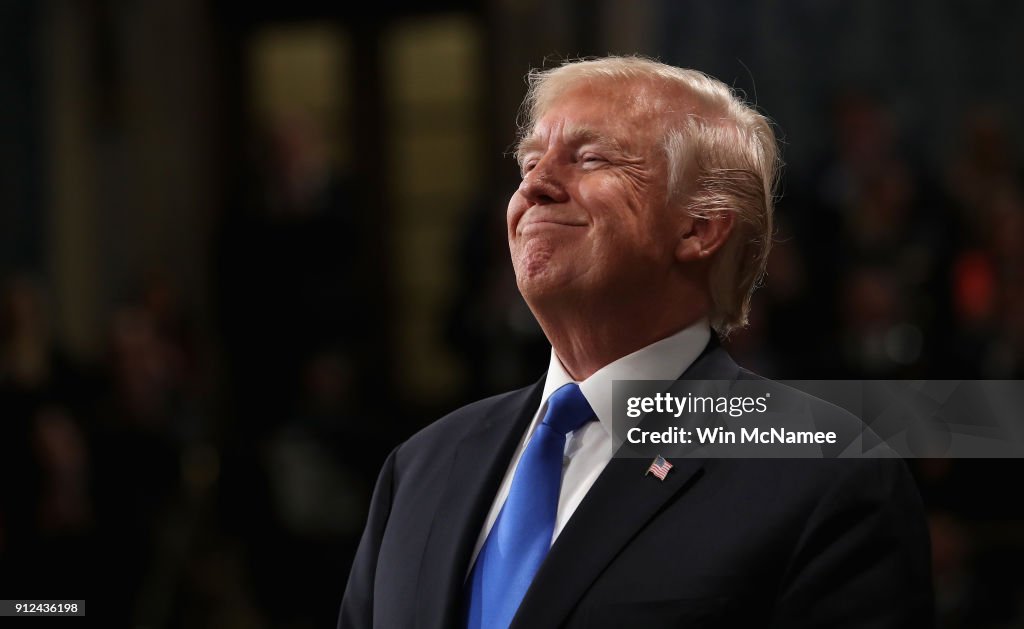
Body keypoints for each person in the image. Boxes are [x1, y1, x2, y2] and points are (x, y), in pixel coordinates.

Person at [338, 56, 934, 628]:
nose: (535, 187)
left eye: (590, 159)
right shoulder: (421, 467)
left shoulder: (828, 477)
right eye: (528, 164)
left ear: (699, 227)